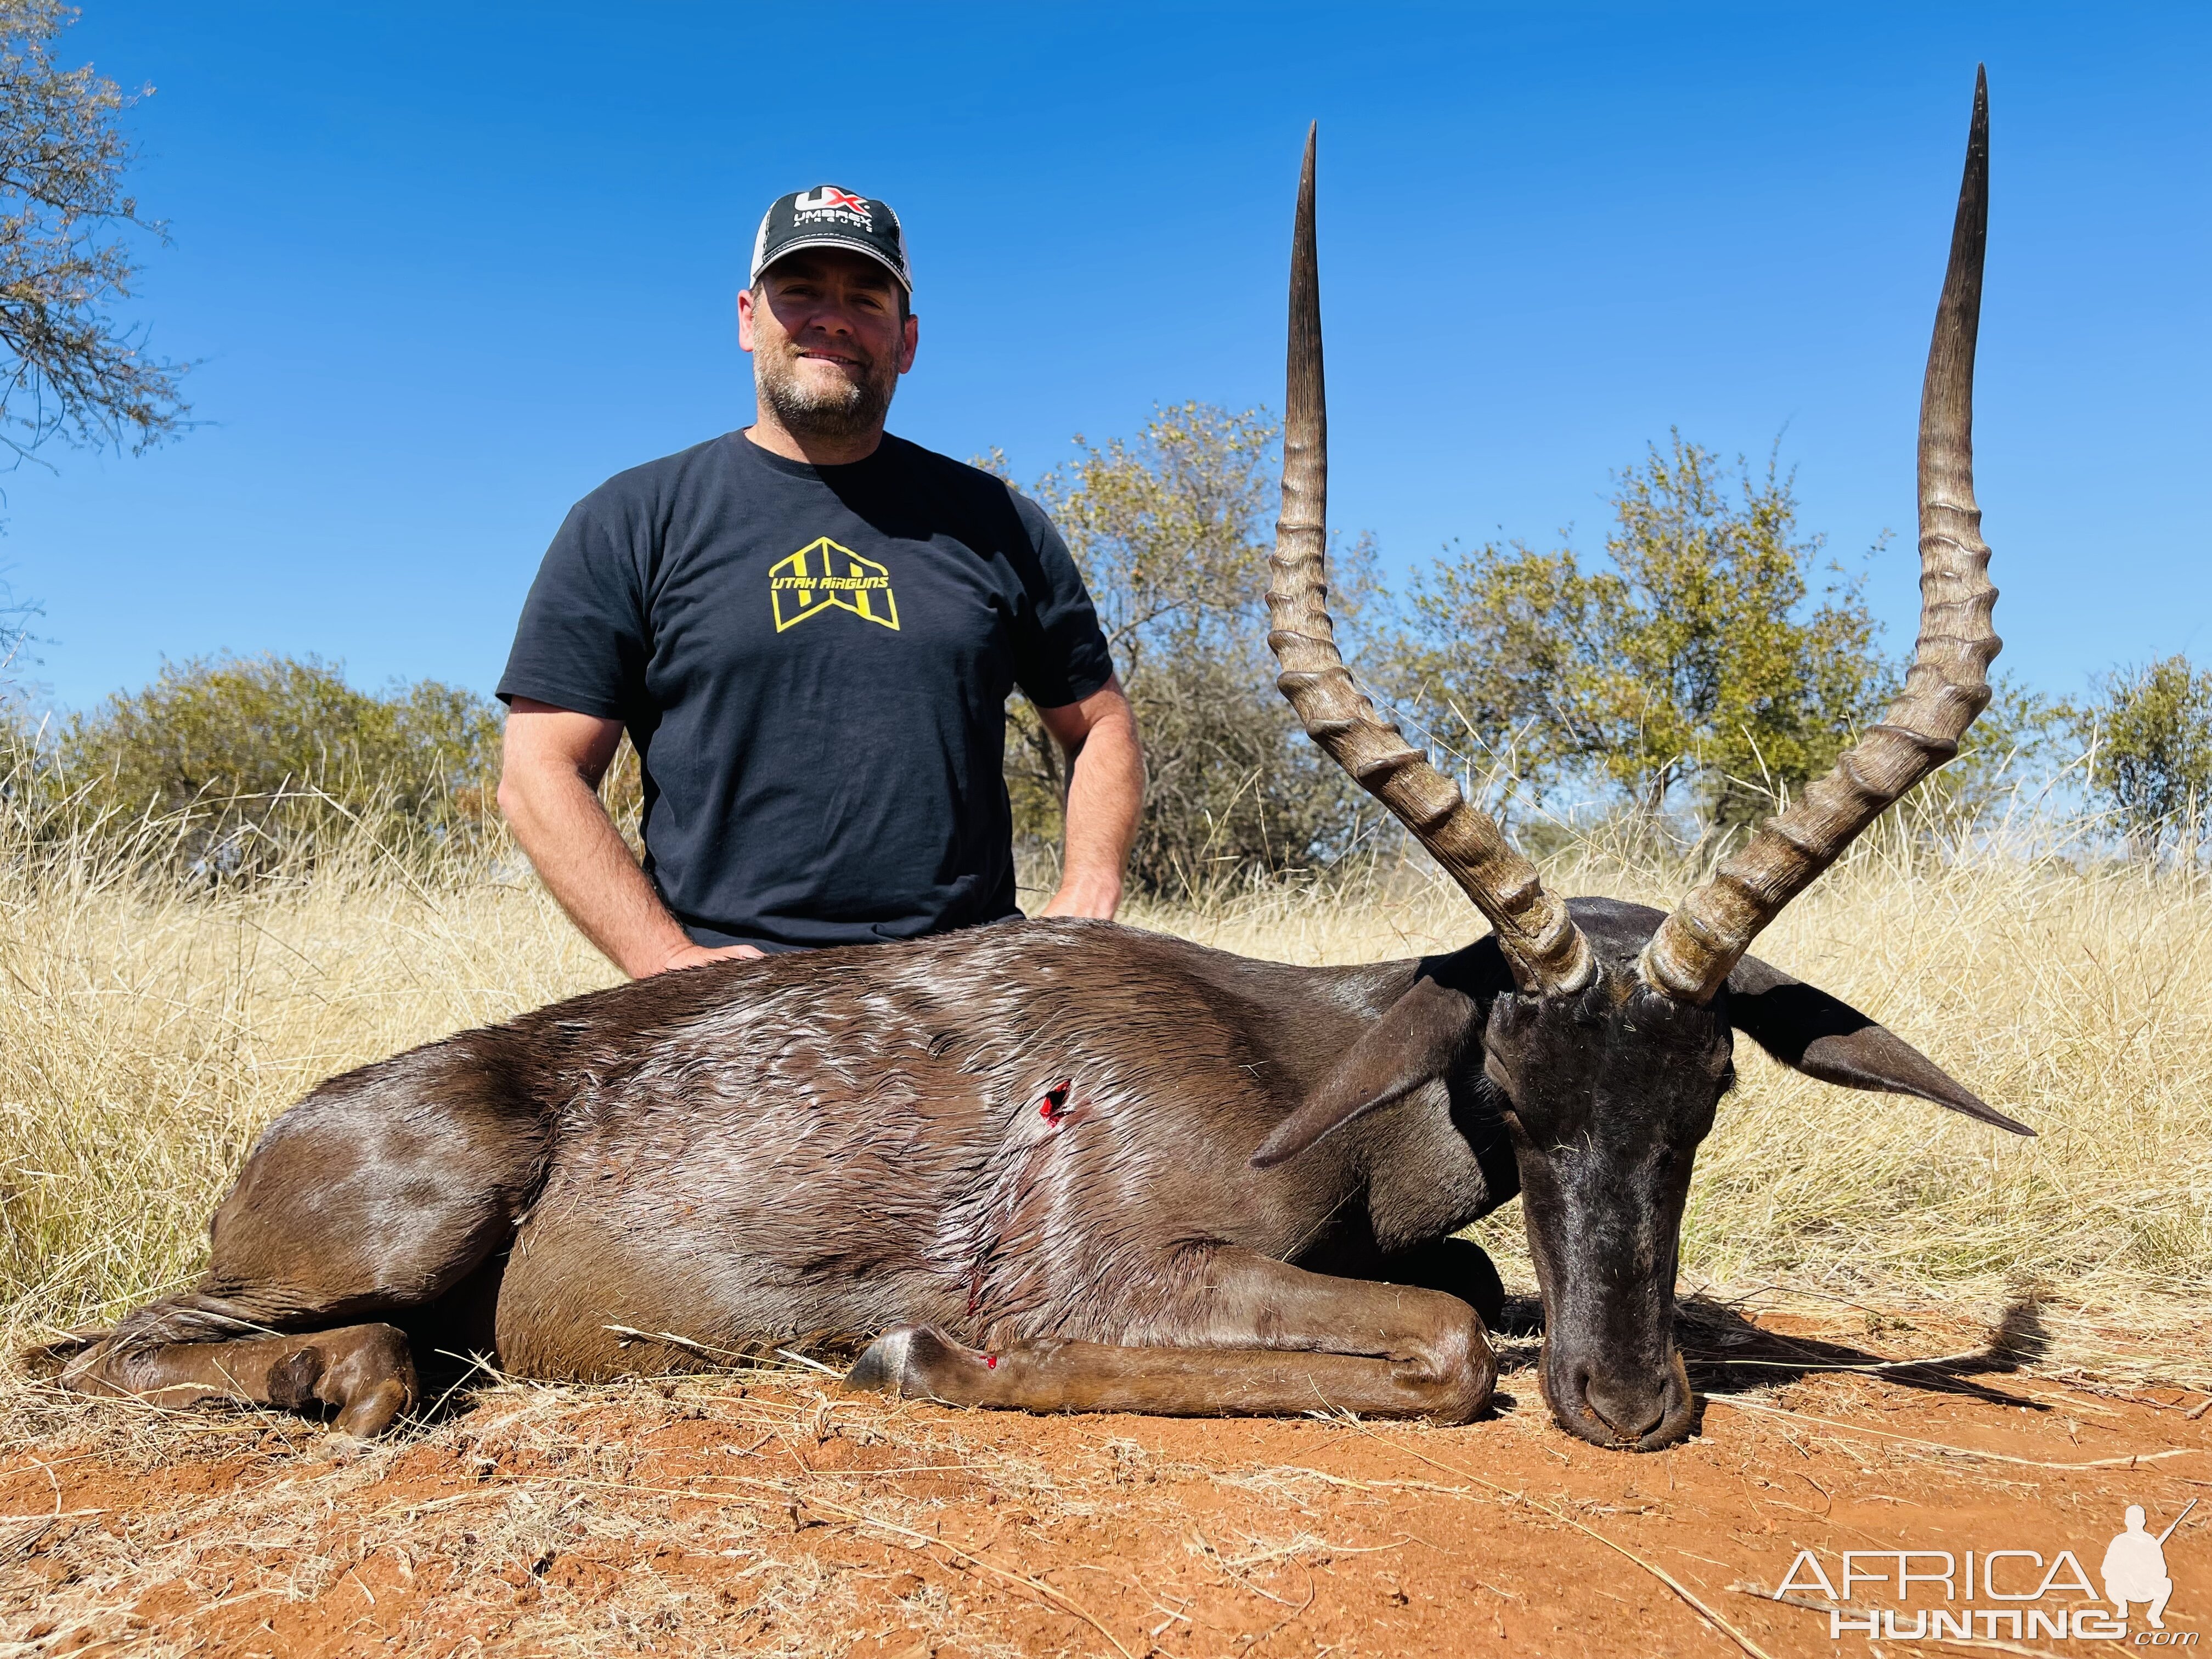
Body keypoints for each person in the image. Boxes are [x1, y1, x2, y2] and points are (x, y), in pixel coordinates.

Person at [495, 184, 1141, 974]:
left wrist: (1089, 885)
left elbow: (1101, 724)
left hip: (972, 994)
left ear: (906, 341)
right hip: (729, 1005)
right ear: (747, 318)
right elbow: (538, 773)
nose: (831, 317)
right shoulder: (630, 519)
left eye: (865, 298)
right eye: (799, 291)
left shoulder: (1000, 521)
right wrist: (664, 962)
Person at [2102, 1505, 2174, 1628]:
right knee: (2111, 1581)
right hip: (2123, 1588)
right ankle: (2122, 1606)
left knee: (2166, 1583)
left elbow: (2162, 1571)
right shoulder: (2119, 1541)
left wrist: (2146, 1571)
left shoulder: (2151, 1543)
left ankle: (2154, 1614)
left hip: (2144, 1588)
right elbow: (2106, 1570)